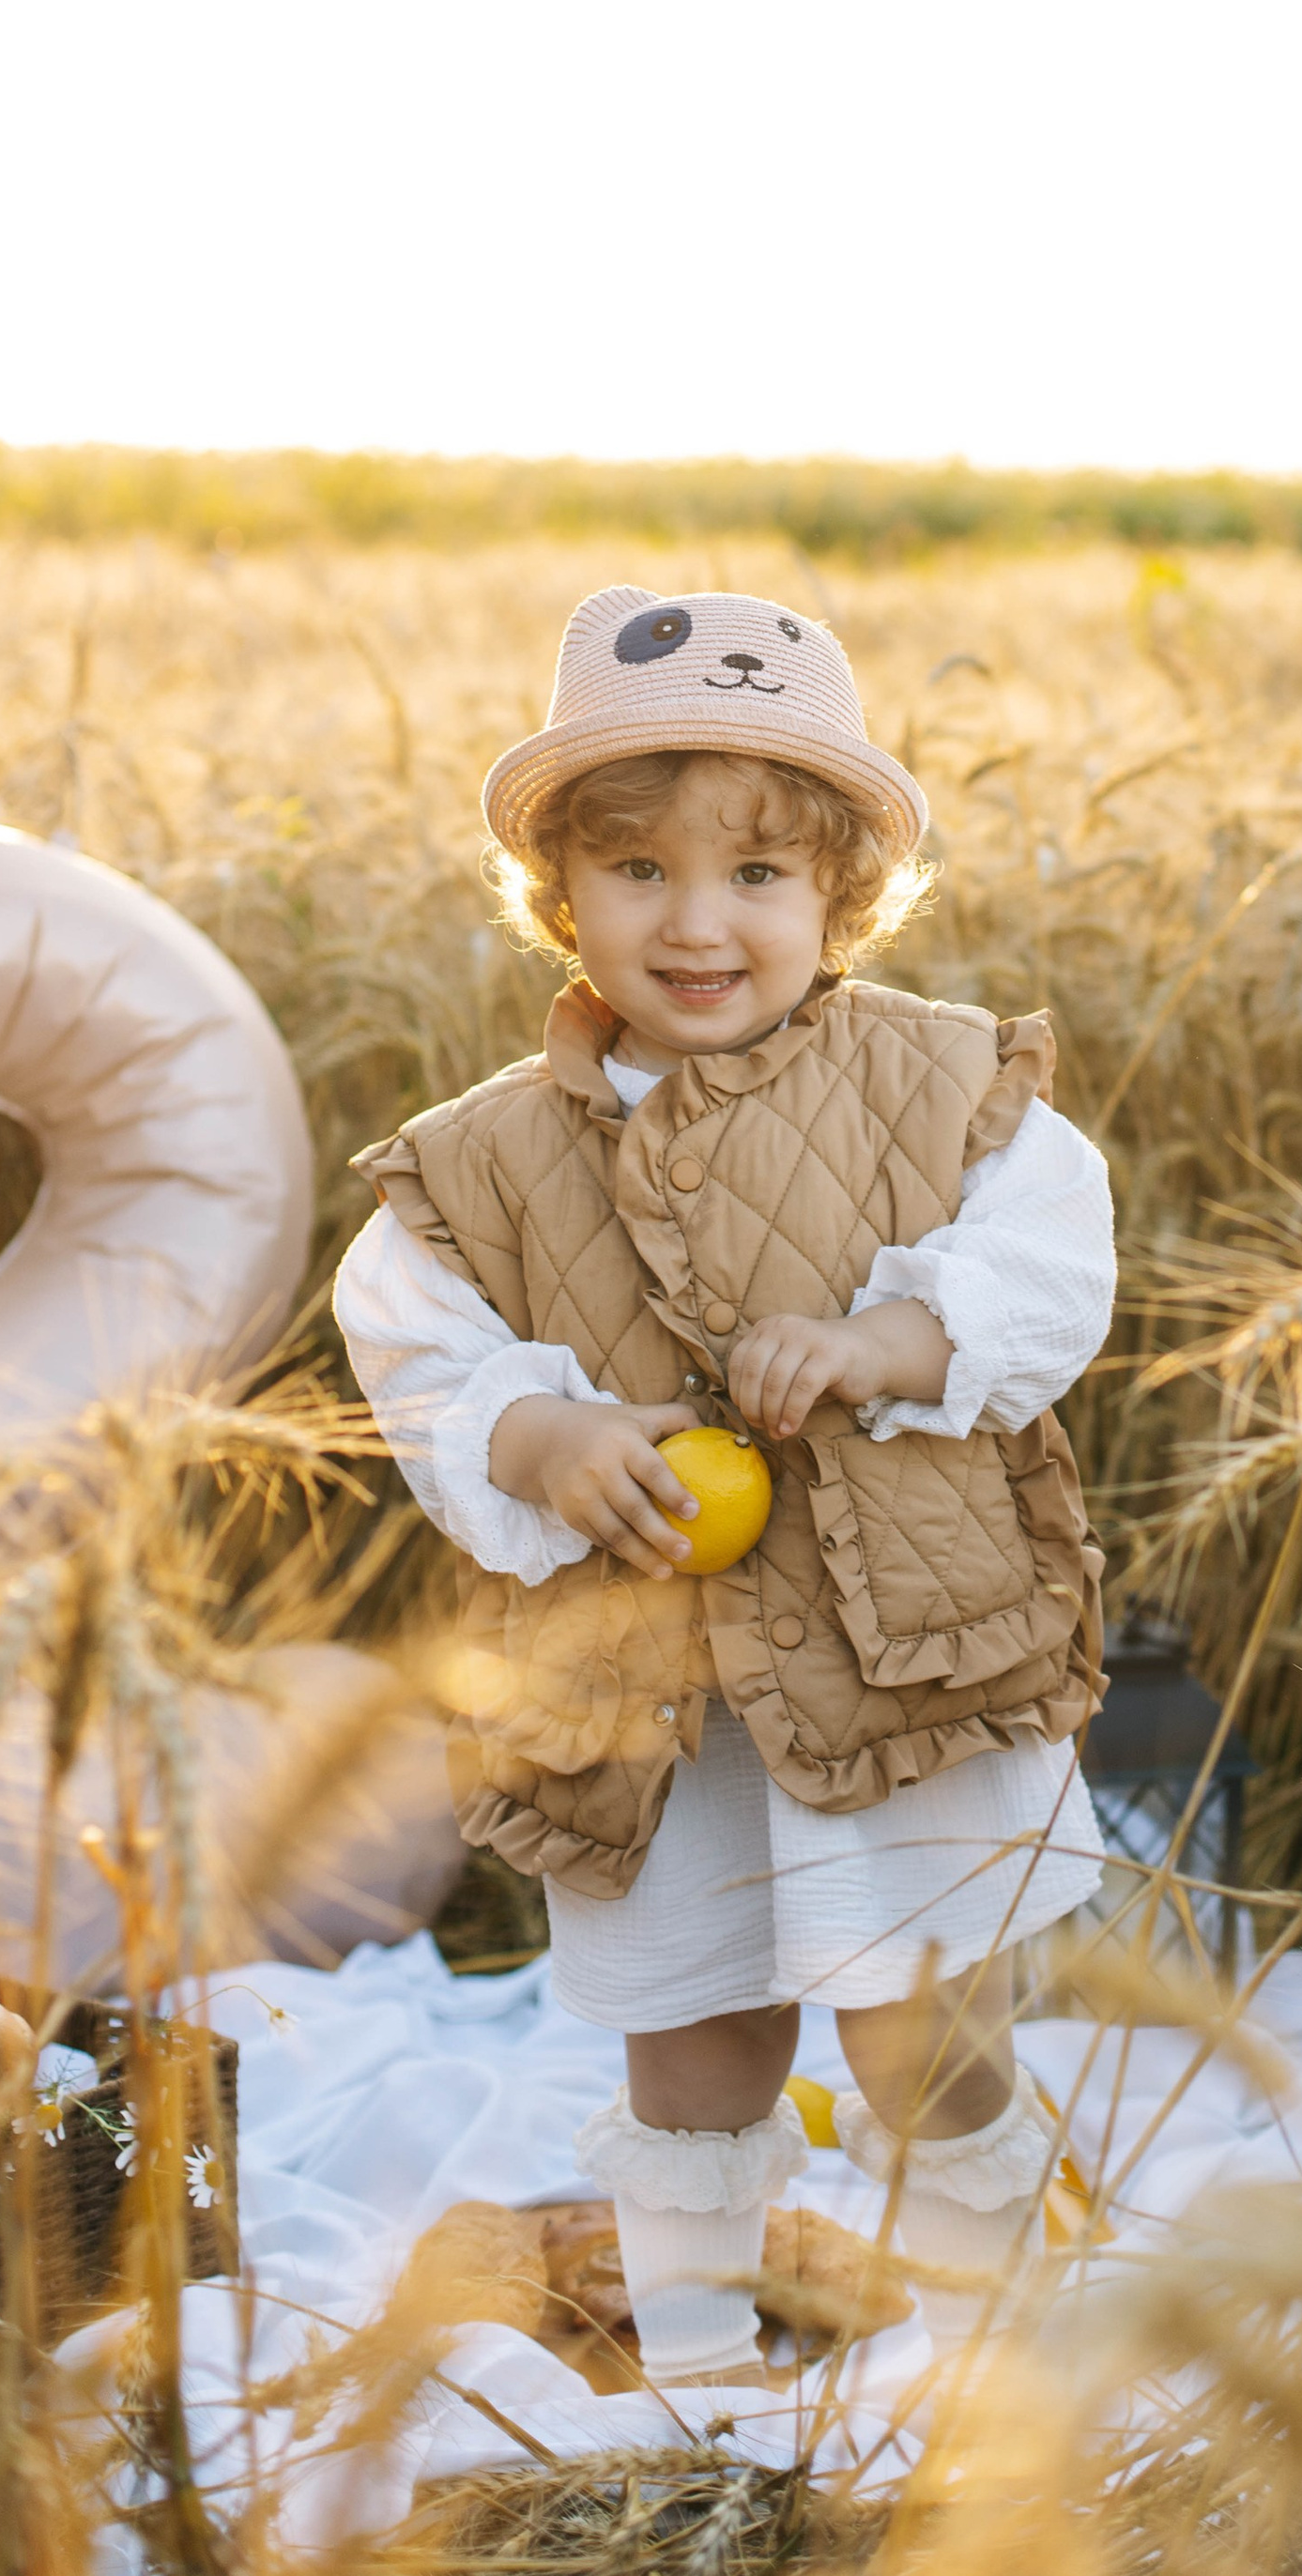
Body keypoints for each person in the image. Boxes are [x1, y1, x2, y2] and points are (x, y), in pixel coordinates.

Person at [333, 585, 1111, 2385]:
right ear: (564, 897)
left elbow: (1051, 1271)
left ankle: (1000, 2346)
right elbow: (417, 1347)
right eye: (642, 876)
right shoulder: (479, 1162)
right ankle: (690, 2367)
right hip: (657, 1701)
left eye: (758, 877)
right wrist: (541, 1438)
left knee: (924, 2027)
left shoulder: (949, 1086)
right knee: (696, 2039)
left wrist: (892, 1345)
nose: (699, 924)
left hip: (900, 1664)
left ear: (840, 899)